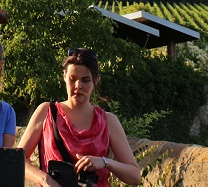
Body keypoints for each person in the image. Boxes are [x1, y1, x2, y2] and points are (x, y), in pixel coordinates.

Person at [17, 48, 141, 187]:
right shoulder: (47, 112)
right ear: (64, 77)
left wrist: (104, 162)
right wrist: (44, 179)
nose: (78, 86)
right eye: (73, 79)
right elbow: (17, 159)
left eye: (85, 80)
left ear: (96, 81)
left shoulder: (107, 120)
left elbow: (135, 176)